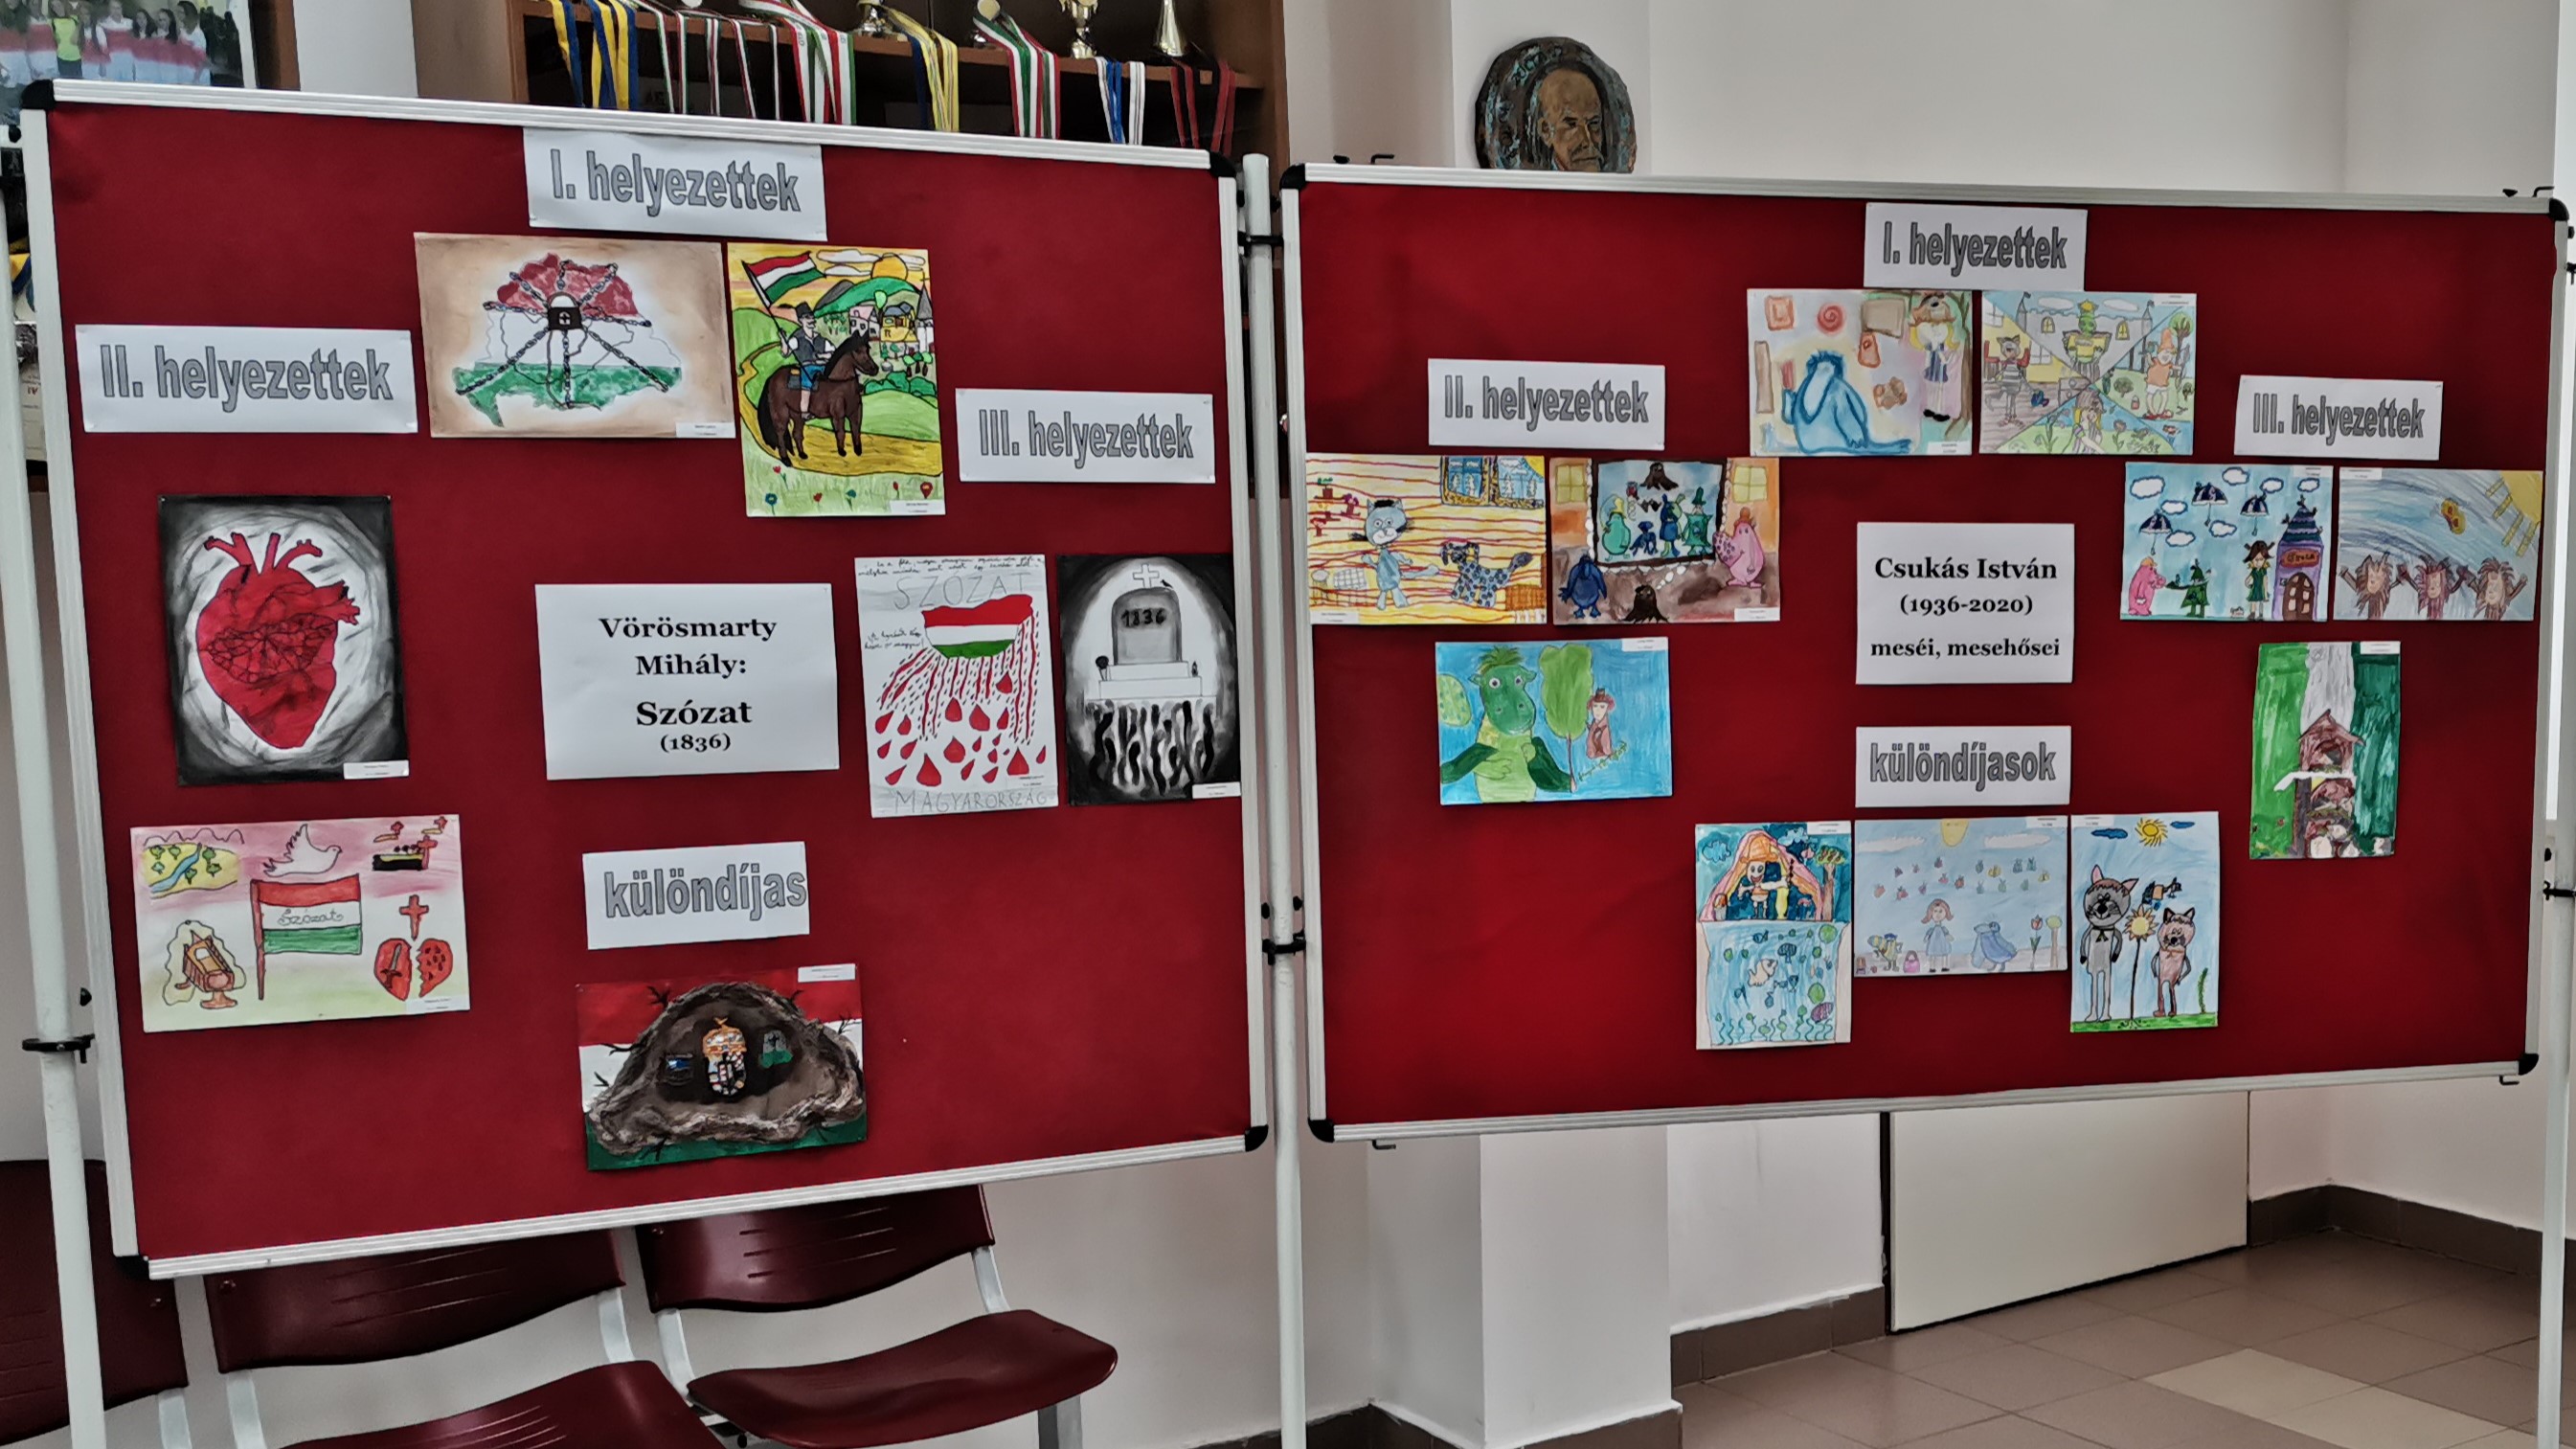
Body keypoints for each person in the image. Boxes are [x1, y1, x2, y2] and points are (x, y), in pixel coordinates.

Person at [781, 302, 828, 423]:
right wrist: (783, 340)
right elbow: (786, 353)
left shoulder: (820, 338)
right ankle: (804, 411)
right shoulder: (797, 338)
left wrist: (822, 356)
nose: (811, 319)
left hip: (823, 365)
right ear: (801, 321)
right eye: (807, 317)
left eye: (812, 316)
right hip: (808, 366)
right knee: (807, 380)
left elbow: (833, 352)